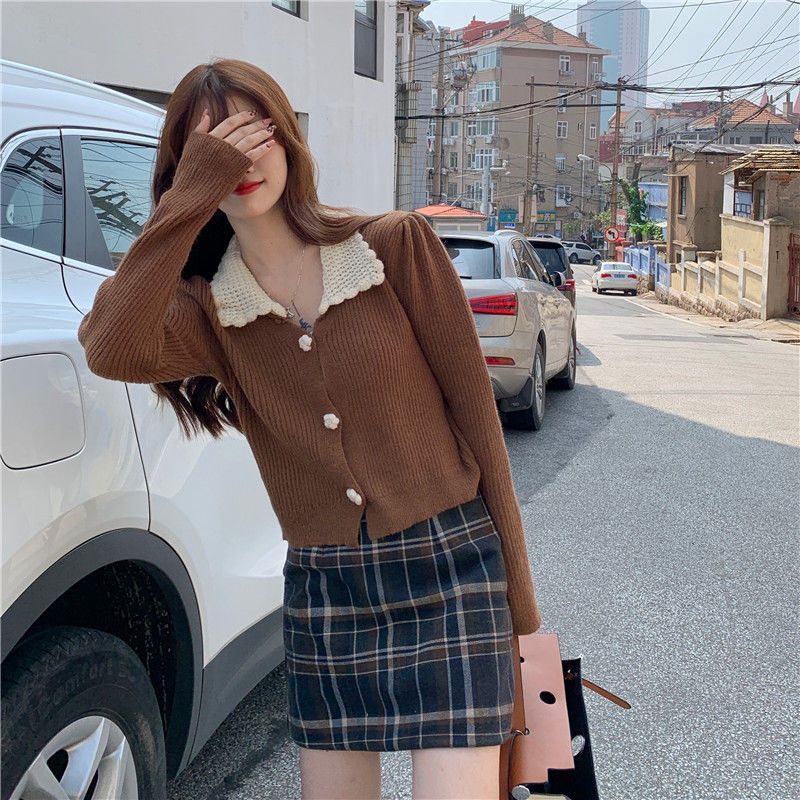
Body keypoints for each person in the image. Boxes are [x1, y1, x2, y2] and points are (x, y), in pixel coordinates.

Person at [77, 58, 542, 800]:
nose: (239, 161)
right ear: (188, 170)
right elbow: (108, 348)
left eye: (252, 133)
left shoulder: (392, 247)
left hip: (452, 570)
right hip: (328, 589)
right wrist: (185, 203)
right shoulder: (210, 308)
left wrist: (522, 612)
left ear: (289, 140)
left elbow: (481, 426)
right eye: (212, 148)